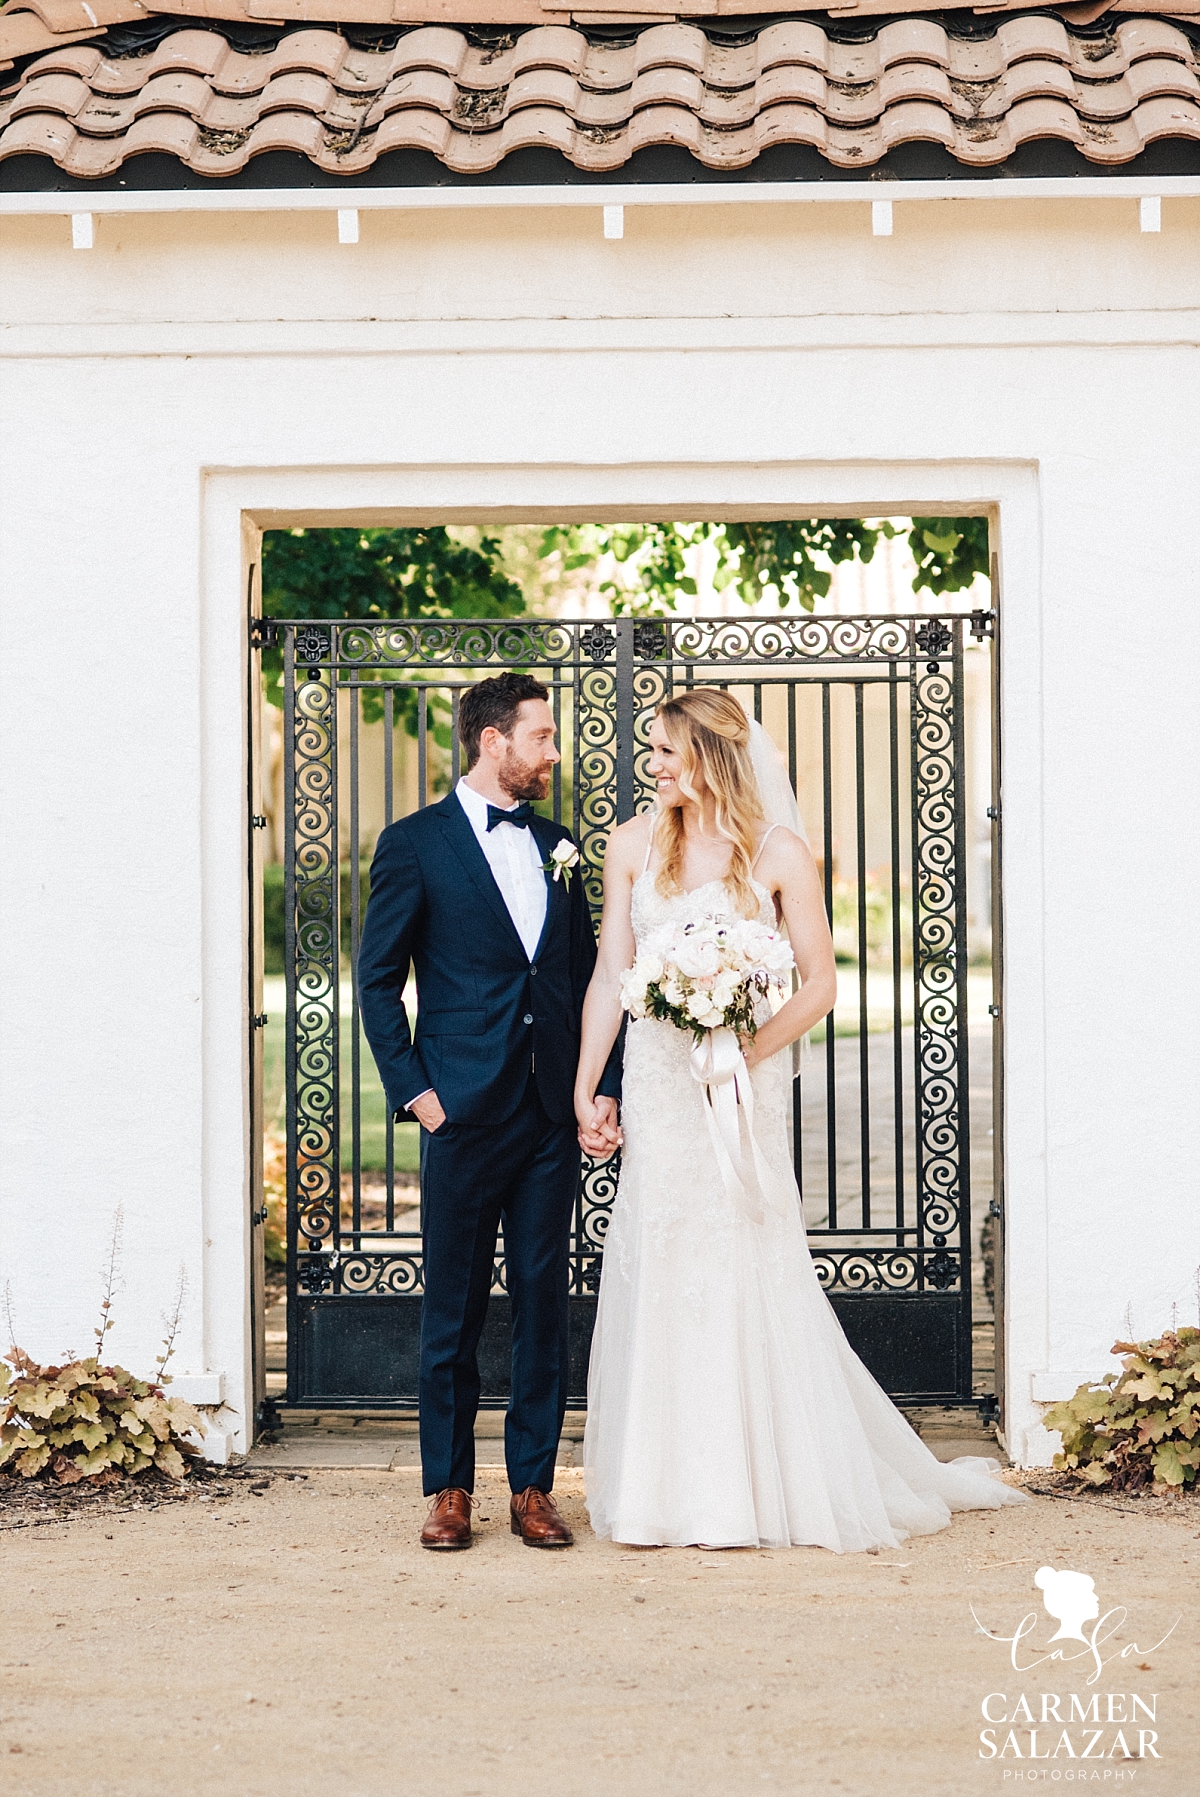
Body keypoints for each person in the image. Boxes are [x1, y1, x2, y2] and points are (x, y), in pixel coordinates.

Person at [574, 688, 1029, 1551]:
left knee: (746, 1250)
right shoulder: (631, 844)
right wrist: (586, 1083)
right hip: (663, 1087)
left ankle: (752, 1485)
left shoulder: (778, 852)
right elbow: (610, 973)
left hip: (743, 1087)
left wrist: (744, 1051)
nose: (654, 765)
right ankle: (660, 1492)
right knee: (667, 1254)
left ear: (708, 755)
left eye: (667, 751)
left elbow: (818, 981)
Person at [358, 672, 621, 1551]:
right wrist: (417, 1091)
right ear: (493, 739)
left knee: (544, 1303)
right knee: (455, 1308)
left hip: (550, 1112)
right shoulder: (413, 844)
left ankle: (534, 1486)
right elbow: (376, 983)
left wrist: (601, 1085)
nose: (554, 752)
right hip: (460, 1114)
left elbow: (592, 983)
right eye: (542, 736)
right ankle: (449, 1488)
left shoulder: (560, 845)